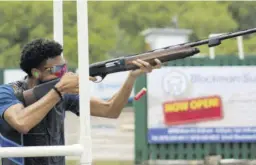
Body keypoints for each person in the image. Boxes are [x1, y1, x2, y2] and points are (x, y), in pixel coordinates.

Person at [0, 38, 162, 165]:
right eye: (58, 70)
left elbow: (110, 110)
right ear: (35, 73)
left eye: (65, 67)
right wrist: (58, 91)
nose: (64, 73)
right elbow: (21, 123)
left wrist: (131, 77)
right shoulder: (8, 92)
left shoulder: (62, 94)